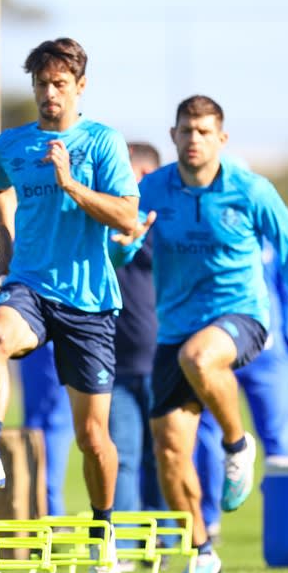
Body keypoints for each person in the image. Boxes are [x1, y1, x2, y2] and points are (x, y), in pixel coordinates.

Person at [126, 95, 288, 573]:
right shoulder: (154, 189)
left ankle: (237, 444)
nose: (194, 139)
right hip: (175, 324)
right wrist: (123, 245)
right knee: (171, 451)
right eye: (186, 130)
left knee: (199, 357)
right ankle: (203, 551)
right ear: (173, 135)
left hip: (241, 316)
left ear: (221, 138)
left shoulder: (250, 189)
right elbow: (127, 243)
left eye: (204, 131)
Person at [0, 37, 140, 573]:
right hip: (29, 286)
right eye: (41, 83)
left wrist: (70, 184)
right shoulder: (12, 144)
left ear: (80, 88)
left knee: (93, 437)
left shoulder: (102, 141)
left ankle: (103, 534)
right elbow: (1, 192)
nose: (49, 93)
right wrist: (6, 253)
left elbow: (128, 216)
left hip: (87, 301)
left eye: (60, 84)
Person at [196, 236, 288, 540]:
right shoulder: (213, 226)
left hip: (269, 355)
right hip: (221, 351)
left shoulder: (272, 229)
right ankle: (208, 522)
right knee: (210, 434)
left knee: (279, 437)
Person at [107, 142, 161, 534]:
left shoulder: (167, 225)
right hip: (115, 361)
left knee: (164, 454)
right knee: (122, 455)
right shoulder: (101, 222)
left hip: (164, 361)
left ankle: (162, 543)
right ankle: (123, 545)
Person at [19, 343, 74, 517]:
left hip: (57, 416)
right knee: (33, 474)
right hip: (36, 414)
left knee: (49, 479)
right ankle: (43, 520)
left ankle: (54, 522)